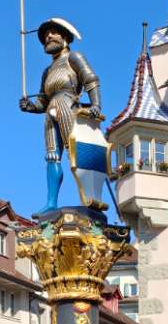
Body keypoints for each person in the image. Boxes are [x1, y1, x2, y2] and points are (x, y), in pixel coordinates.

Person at [18, 17, 105, 215]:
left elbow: (90, 79)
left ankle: (89, 198)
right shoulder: (47, 71)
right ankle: (51, 202)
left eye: (53, 32)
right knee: (51, 157)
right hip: (50, 115)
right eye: (46, 34)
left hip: (69, 106)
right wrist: (30, 107)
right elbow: (43, 101)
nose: (48, 36)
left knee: (76, 152)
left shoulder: (74, 58)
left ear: (64, 36)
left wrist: (96, 105)